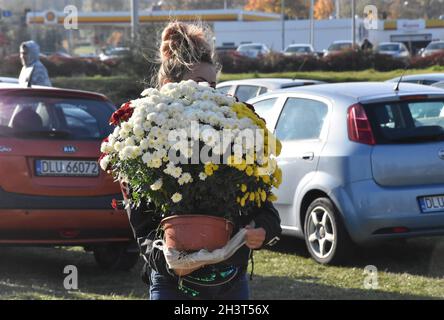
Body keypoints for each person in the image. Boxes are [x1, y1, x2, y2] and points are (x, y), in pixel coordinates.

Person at [124, 21, 282, 300]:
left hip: (230, 282)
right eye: (197, 83)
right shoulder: (144, 142)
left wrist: (262, 231)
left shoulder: (234, 131)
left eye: (212, 84)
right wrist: (170, 260)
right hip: (173, 284)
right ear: (169, 86)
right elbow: (143, 231)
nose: (207, 91)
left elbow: (266, 211)